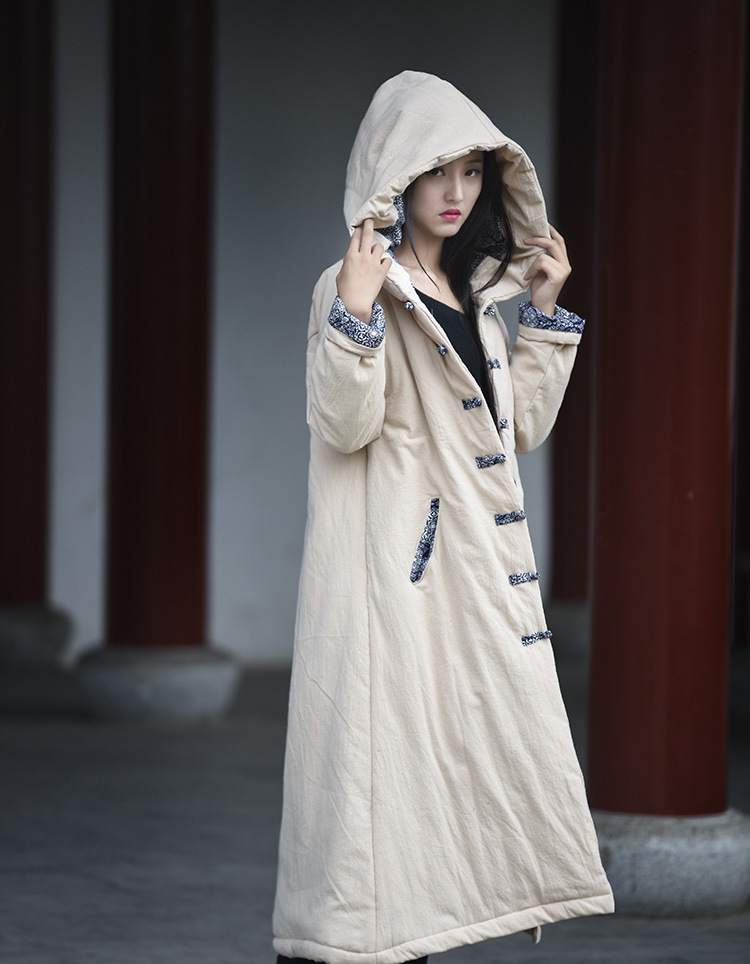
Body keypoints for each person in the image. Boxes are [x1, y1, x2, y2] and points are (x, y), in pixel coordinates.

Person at [273, 70, 613, 964]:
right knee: (372, 821)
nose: (455, 192)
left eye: (470, 172)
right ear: (396, 178)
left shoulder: (480, 301)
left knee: (440, 818)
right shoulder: (351, 285)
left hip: (469, 590)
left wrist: (542, 314)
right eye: (435, 172)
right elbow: (344, 426)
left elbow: (517, 431)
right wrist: (354, 310)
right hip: (391, 591)